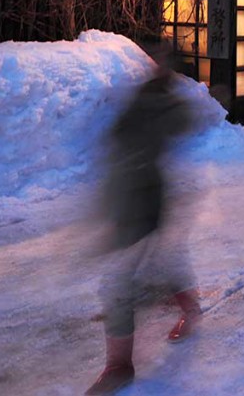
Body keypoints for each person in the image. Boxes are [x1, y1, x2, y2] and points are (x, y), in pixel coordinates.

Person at [86, 42, 202, 395]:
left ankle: (120, 366)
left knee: (121, 282)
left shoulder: (169, 102)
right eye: (158, 60)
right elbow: (118, 136)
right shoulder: (145, 95)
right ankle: (192, 310)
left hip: (149, 197)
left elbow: (184, 124)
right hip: (129, 194)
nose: (158, 65)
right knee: (161, 265)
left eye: (165, 62)